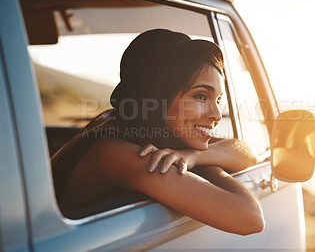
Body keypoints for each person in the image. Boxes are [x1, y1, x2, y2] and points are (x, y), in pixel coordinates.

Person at [51, 29, 264, 235]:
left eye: (218, 99)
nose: (217, 114)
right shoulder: (116, 153)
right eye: (200, 96)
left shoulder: (134, 125)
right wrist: (208, 165)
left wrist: (194, 156)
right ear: (156, 96)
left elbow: (247, 152)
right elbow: (250, 217)